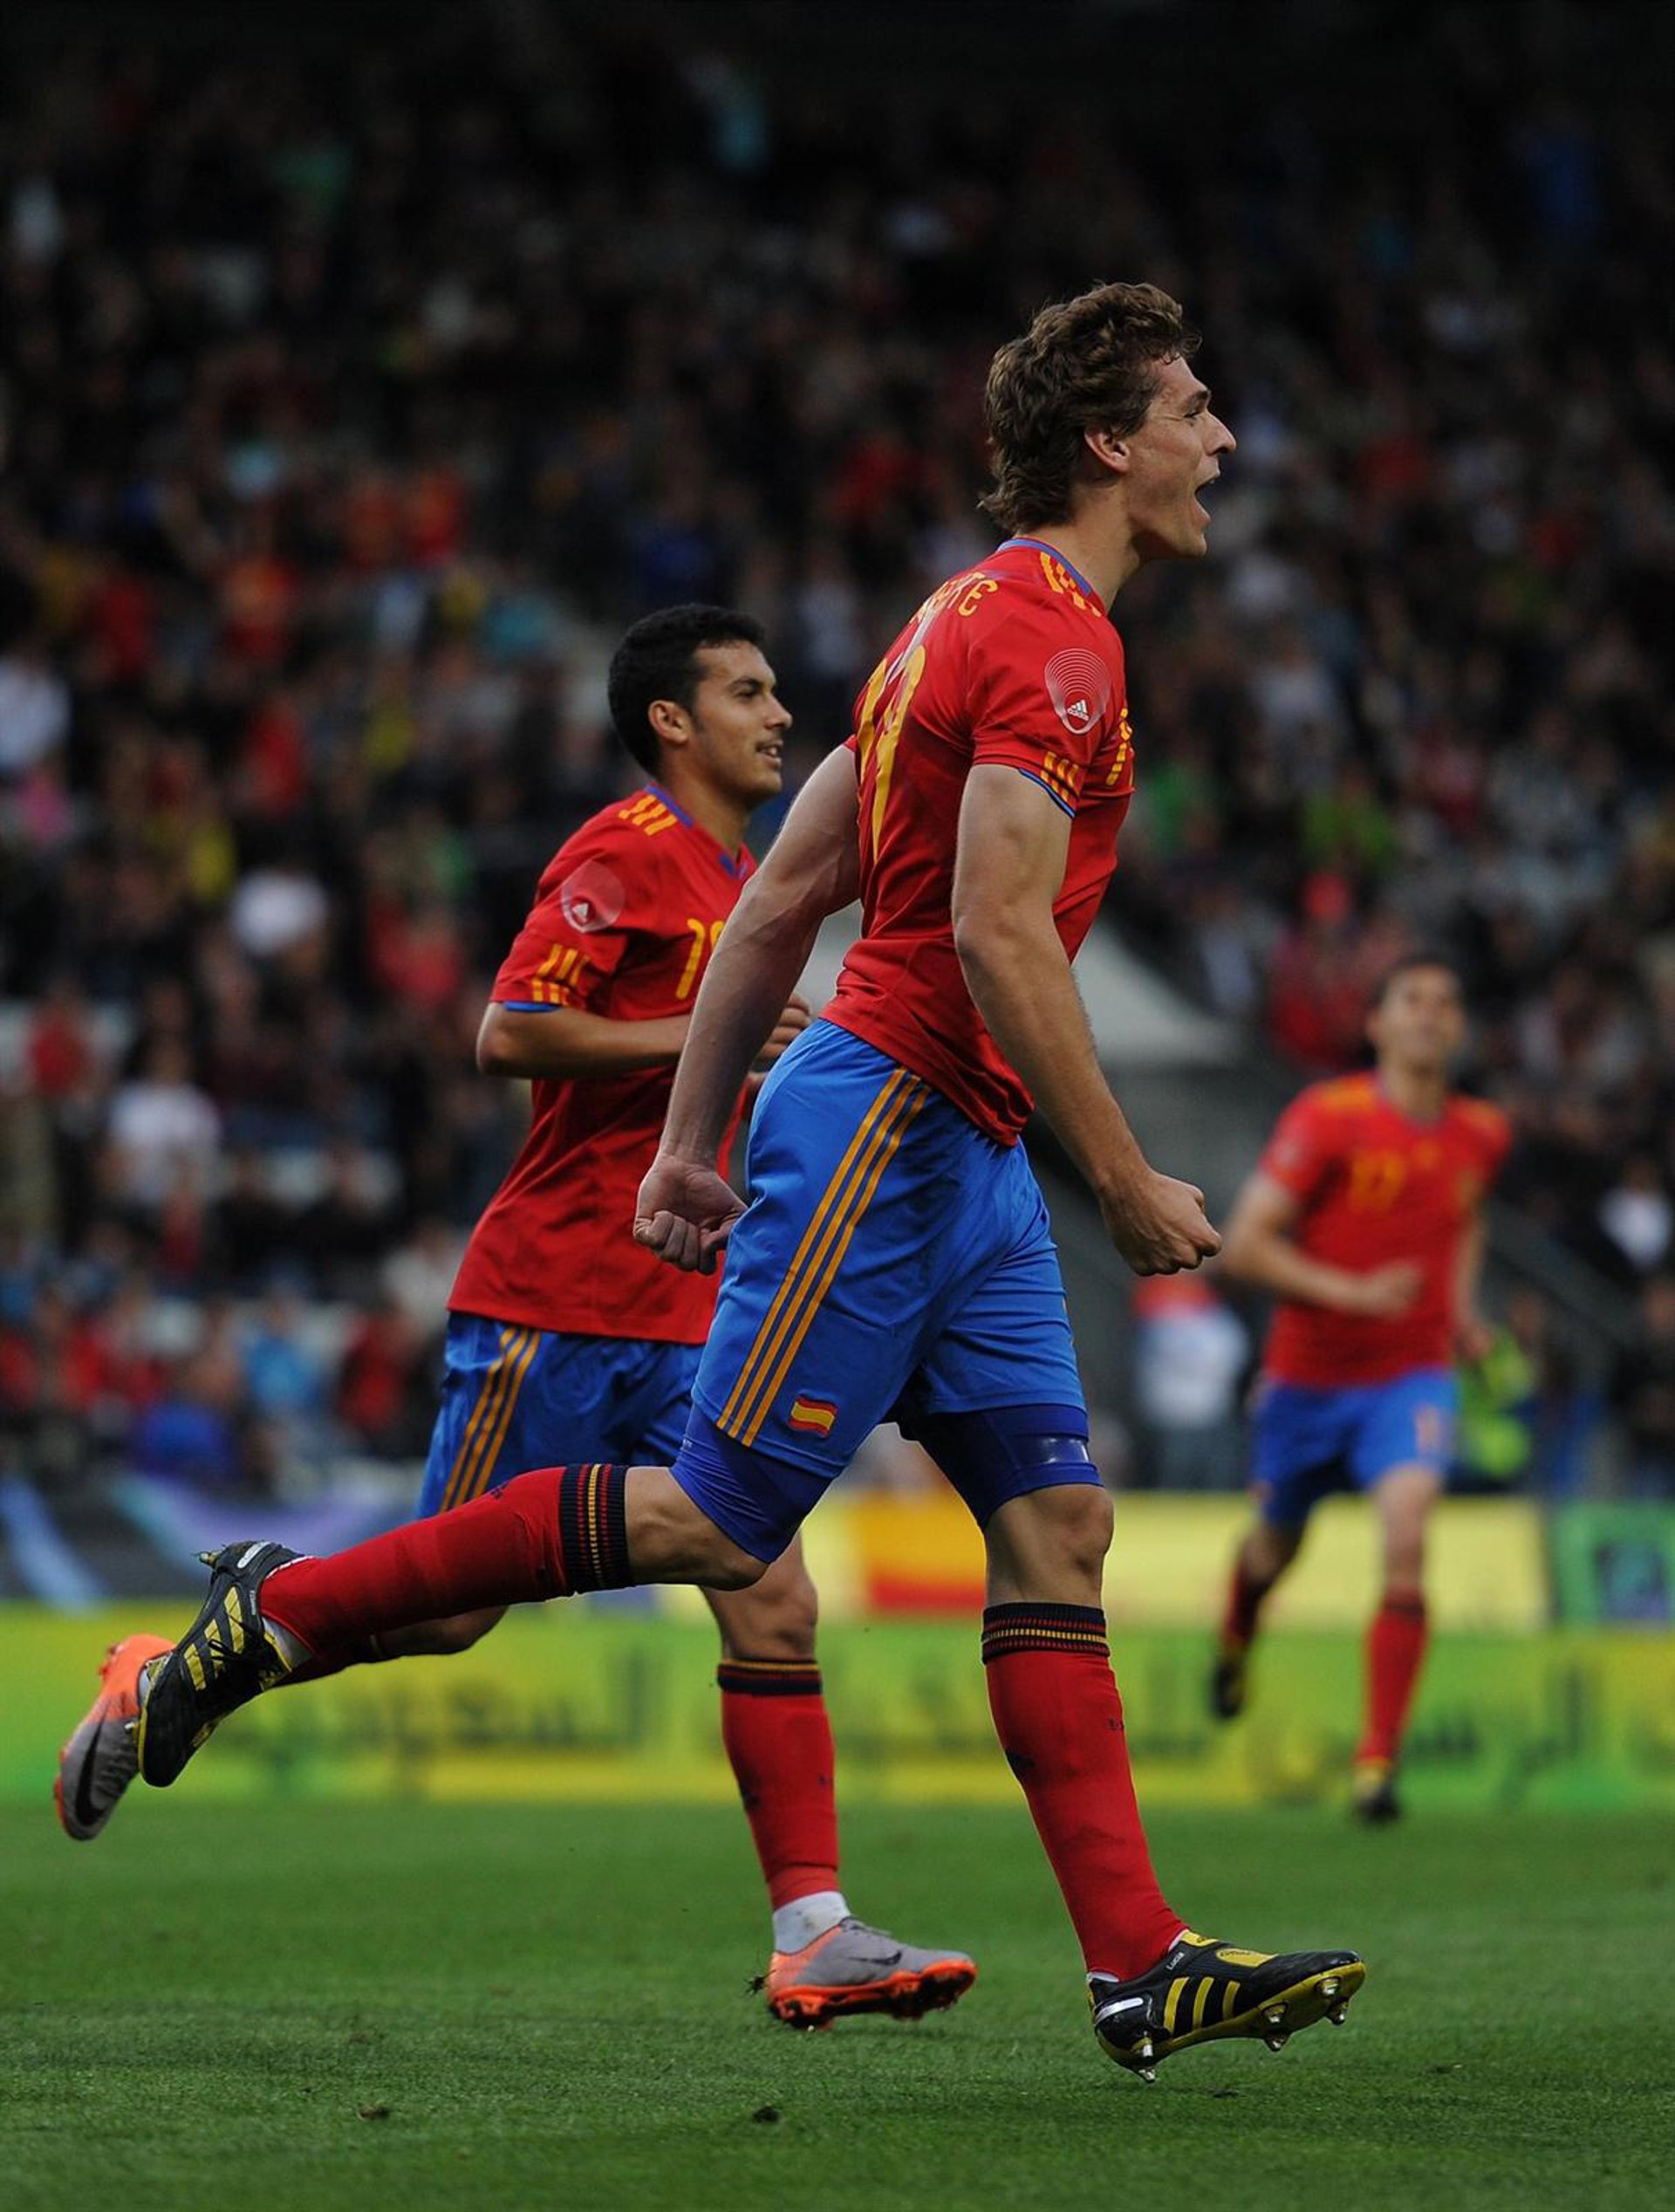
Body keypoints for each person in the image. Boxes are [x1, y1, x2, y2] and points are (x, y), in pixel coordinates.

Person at [102, 283, 1363, 2082]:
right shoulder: (1053, 644)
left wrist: (691, 1145)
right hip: (898, 1119)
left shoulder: (943, 630)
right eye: (1191, 408)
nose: (1220, 438)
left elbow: (777, 899)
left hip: (960, 1152)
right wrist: (1126, 1176)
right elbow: (997, 932)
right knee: (716, 1521)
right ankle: (273, 1617)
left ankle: (1139, 1963)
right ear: (1110, 444)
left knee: (1059, 1527)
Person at [57, 604, 973, 2027]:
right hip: (555, 1296)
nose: (779, 714)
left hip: (690, 1308)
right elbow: (507, 1031)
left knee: (771, 1592)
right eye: (746, 691)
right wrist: (712, 1029)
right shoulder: (624, 849)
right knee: (446, 1617)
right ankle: (173, 1666)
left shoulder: (749, 876)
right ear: (672, 719)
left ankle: (814, 1929)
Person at [1210, 955, 1512, 1821]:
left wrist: (1461, 1312)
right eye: (1413, 1000)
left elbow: (1466, 1220)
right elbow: (1245, 1243)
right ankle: (1237, 1632)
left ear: (1460, 1028)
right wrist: (1354, 1292)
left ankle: (1377, 1762)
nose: (1431, 1014)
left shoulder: (1482, 1133)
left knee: (1408, 1534)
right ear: (1377, 1023)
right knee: (1273, 1551)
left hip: (1410, 1377)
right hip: (1307, 1379)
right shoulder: (1329, 1116)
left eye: (1446, 1002)